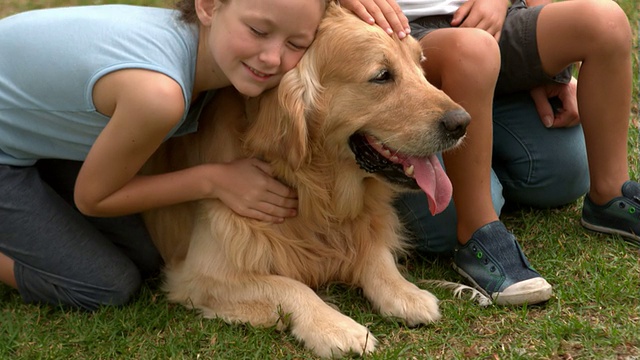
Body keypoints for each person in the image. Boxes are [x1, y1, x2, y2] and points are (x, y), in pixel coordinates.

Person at [0, 0, 328, 311]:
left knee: (145, 252)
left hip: (35, 143)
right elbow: (93, 199)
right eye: (258, 31)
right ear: (208, 6)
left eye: (296, 44)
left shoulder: (209, 50)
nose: (272, 58)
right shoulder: (159, 95)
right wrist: (214, 180)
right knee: (106, 285)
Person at [340, 0, 635, 305]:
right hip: (400, 33)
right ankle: (478, 229)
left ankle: (610, 195)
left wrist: (550, 68)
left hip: (490, 17)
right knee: (474, 52)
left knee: (606, 21)